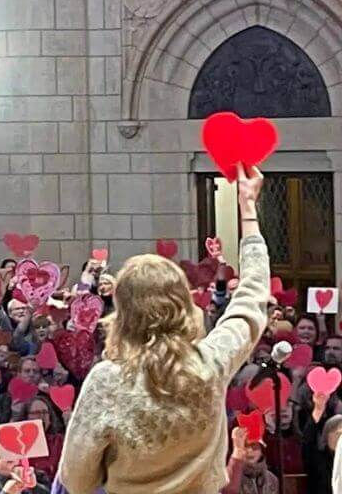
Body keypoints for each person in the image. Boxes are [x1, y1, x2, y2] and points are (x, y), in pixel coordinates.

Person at [57, 163, 269, 494]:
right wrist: (248, 208)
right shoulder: (210, 363)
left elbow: (76, 480)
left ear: (124, 315)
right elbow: (253, 296)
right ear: (184, 306)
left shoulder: (107, 380)